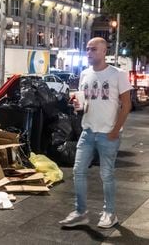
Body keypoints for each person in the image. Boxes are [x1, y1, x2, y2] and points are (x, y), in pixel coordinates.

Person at [59, 37, 133, 228]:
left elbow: (126, 105)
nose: (89, 53)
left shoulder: (118, 74)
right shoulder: (84, 74)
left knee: (106, 174)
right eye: (87, 49)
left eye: (93, 49)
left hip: (108, 133)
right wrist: (77, 105)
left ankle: (110, 213)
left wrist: (115, 130)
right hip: (88, 130)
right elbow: (84, 104)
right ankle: (81, 211)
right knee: (78, 171)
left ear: (103, 52)